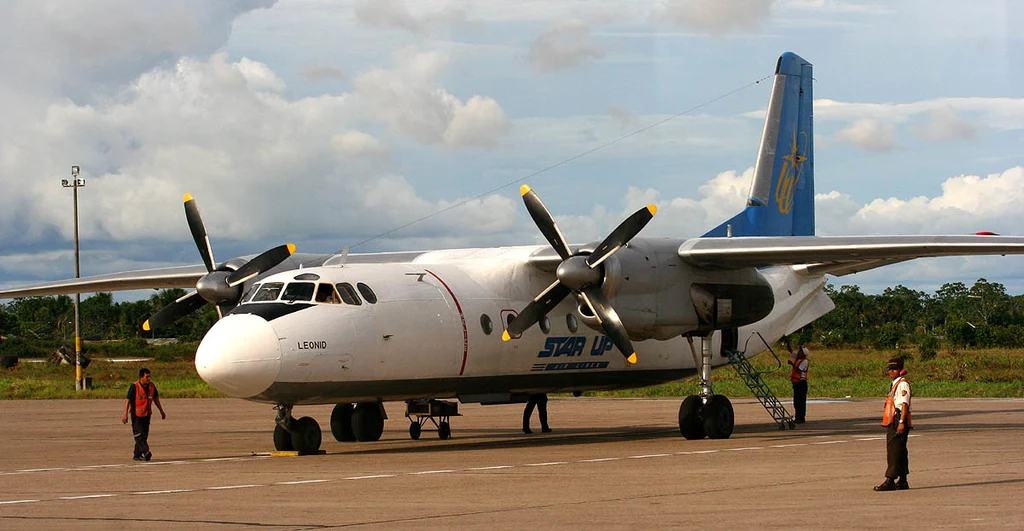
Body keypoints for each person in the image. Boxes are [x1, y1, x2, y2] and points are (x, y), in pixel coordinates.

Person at [875, 358, 912, 491]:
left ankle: (890, 479)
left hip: (898, 419)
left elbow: (904, 404)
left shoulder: (902, 384)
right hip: (894, 420)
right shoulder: (895, 383)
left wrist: (901, 422)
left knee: (894, 450)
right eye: (889, 369)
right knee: (900, 451)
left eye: (894, 369)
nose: (891, 371)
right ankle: (903, 480)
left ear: (901, 370)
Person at [122, 368, 166, 461]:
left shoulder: (152, 386)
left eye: (149, 376)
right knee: (138, 434)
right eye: (147, 377)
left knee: (144, 435)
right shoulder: (134, 386)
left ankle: (137, 454)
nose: (149, 378)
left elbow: (156, 399)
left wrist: (161, 411)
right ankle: (146, 452)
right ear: (141, 377)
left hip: (146, 414)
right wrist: (125, 415)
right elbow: (127, 401)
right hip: (136, 415)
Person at [784, 337, 809, 423]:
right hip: (796, 383)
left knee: (801, 401)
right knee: (796, 401)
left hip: (801, 383)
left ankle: (801, 418)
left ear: (804, 354)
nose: (799, 352)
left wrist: (791, 364)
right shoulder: (798, 358)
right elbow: (789, 350)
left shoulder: (804, 361)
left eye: (800, 351)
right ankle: (797, 417)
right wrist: (788, 341)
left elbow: (799, 370)